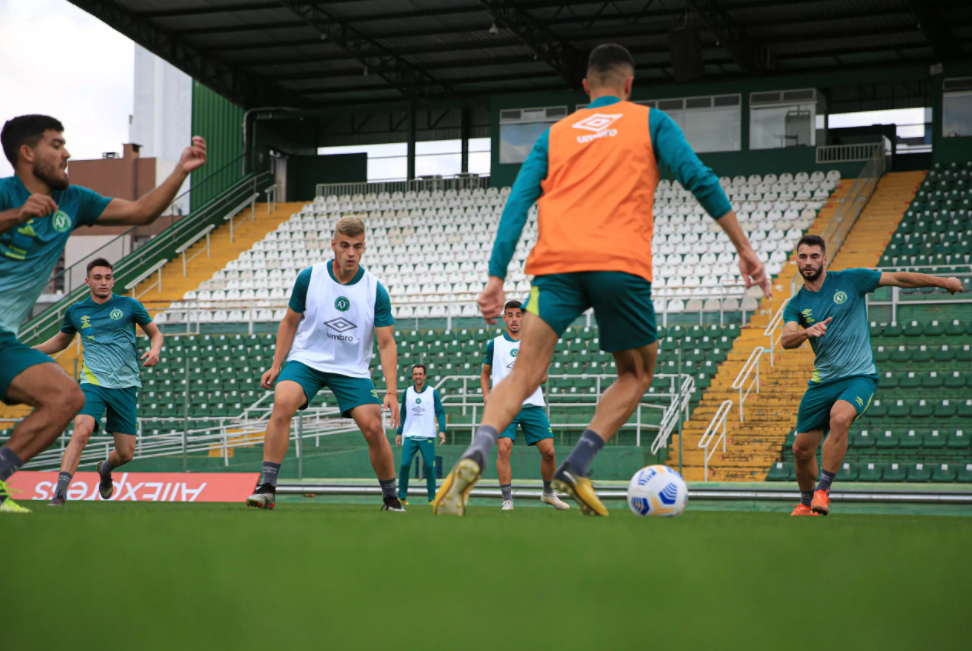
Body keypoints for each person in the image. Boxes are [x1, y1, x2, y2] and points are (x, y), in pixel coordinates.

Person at [433, 43, 768, 517]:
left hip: (554, 266)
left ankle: (477, 452)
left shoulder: (556, 134)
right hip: (619, 264)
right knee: (637, 372)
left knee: (524, 373)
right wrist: (745, 248)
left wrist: (495, 276)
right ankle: (578, 465)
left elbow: (517, 203)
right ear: (629, 85)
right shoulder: (649, 121)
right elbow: (699, 177)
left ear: (586, 87)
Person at [0, 115, 206, 514]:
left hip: (5, 340)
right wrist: (17, 216)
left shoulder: (73, 201)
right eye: (56, 145)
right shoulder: (5, 195)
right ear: (28, 153)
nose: (67, 153)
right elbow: (62, 338)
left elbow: (143, 210)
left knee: (65, 398)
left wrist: (181, 171)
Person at [781, 234, 962, 516]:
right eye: (803, 257)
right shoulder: (796, 303)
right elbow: (786, 338)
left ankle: (823, 492)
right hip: (821, 383)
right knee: (801, 450)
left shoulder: (851, 280)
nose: (808, 262)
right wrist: (807, 331)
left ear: (825, 259)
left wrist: (943, 282)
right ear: (797, 260)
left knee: (840, 418)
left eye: (814, 256)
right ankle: (805, 504)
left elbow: (899, 279)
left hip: (859, 377)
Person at [246, 216, 403, 511]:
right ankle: (267, 488)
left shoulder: (375, 290)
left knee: (373, 426)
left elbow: (386, 343)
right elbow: (289, 322)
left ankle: (391, 498)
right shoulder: (310, 277)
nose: (351, 253)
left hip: (351, 368)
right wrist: (276, 364)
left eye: (357, 246)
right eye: (344, 246)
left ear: (364, 247)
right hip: (308, 359)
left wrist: (392, 392)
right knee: (283, 401)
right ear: (334, 245)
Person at [32, 258, 163, 505]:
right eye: (98, 277)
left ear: (113, 279)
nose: (104, 282)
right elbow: (60, 342)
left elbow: (156, 334)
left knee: (126, 453)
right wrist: (27, 350)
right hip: (92, 383)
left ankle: (105, 469)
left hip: (125, 385)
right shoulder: (76, 311)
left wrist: (155, 349)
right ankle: (59, 493)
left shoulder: (130, 305)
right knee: (81, 432)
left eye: (108, 277)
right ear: (87, 281)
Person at [481, 301, 568, 511]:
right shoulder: (494, 344)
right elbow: (485, 374)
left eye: (518, 315)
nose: (514, 319)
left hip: (532, 403)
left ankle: (548, 493)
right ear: (503, 318)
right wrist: (486, 396)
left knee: (549, 452)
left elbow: (544, 376)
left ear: (524, 318)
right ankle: (507, 500)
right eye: (509, 315)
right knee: (504, 449)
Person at [395, 364, 446, 505]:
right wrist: (399, 432)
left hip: (427, 436)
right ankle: (402, 497)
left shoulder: (432, 392)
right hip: (410, 436)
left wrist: (442, 430)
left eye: (420, 374)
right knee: (404, 466)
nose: (418, 376)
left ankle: (431, 499)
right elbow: (403, 413)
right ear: (412, 376)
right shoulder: (407, 392)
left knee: (430, 467)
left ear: (425, 376)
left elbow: (440, 412)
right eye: (415, 374)